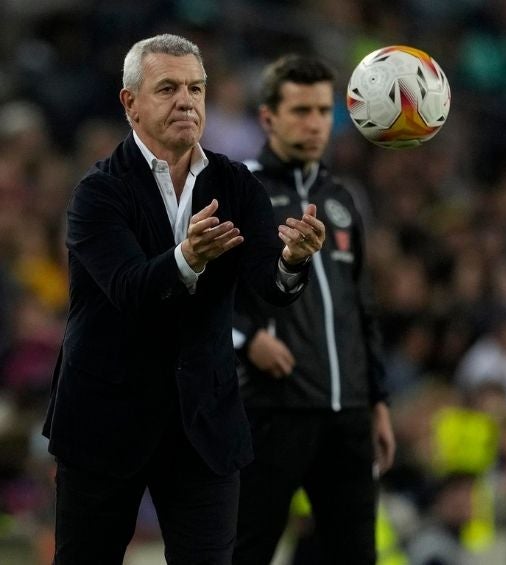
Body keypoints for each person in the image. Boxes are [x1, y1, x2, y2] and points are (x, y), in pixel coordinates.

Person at [41, 34, 325, 564]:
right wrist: (188, 257)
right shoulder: (97, 193)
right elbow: (130, 289)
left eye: (196, 87)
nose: (187, 101)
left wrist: (293, 261)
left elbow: (270, 287)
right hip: (105, 421)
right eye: (168, 88)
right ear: (130, 103)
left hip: (203, 425)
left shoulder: (237, 184)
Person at [231, 54, 395, 565]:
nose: (315, 123)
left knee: (355, 555)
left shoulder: (342, 198)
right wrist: (245, 340)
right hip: (272, 409)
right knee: (246, 549)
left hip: (346, 412)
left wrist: (377, 401)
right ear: (268, 118)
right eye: (301, 110)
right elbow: (201, 292)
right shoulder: (239, 190)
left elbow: (362, 306)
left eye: (323, 111)